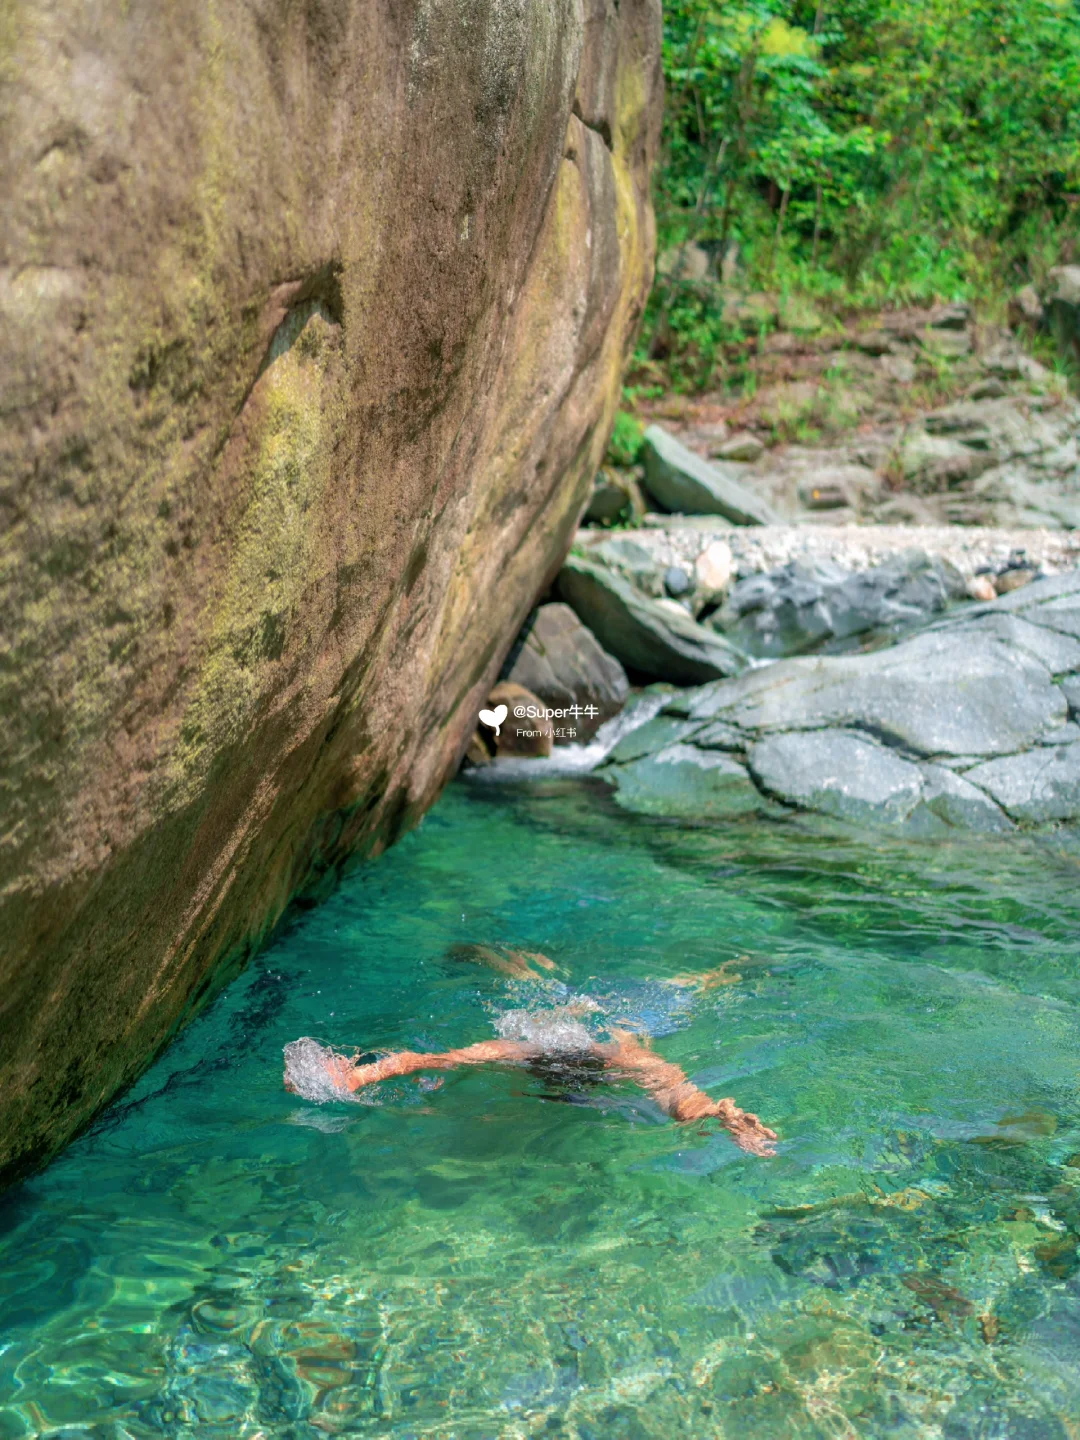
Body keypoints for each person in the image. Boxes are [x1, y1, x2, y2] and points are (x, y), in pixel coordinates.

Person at [291, 1022, 777, 1156]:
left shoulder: (630, 1059)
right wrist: (355, 1077)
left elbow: (682, 1099)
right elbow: (424, 1061)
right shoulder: (512, 1051)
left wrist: (726, 1116)